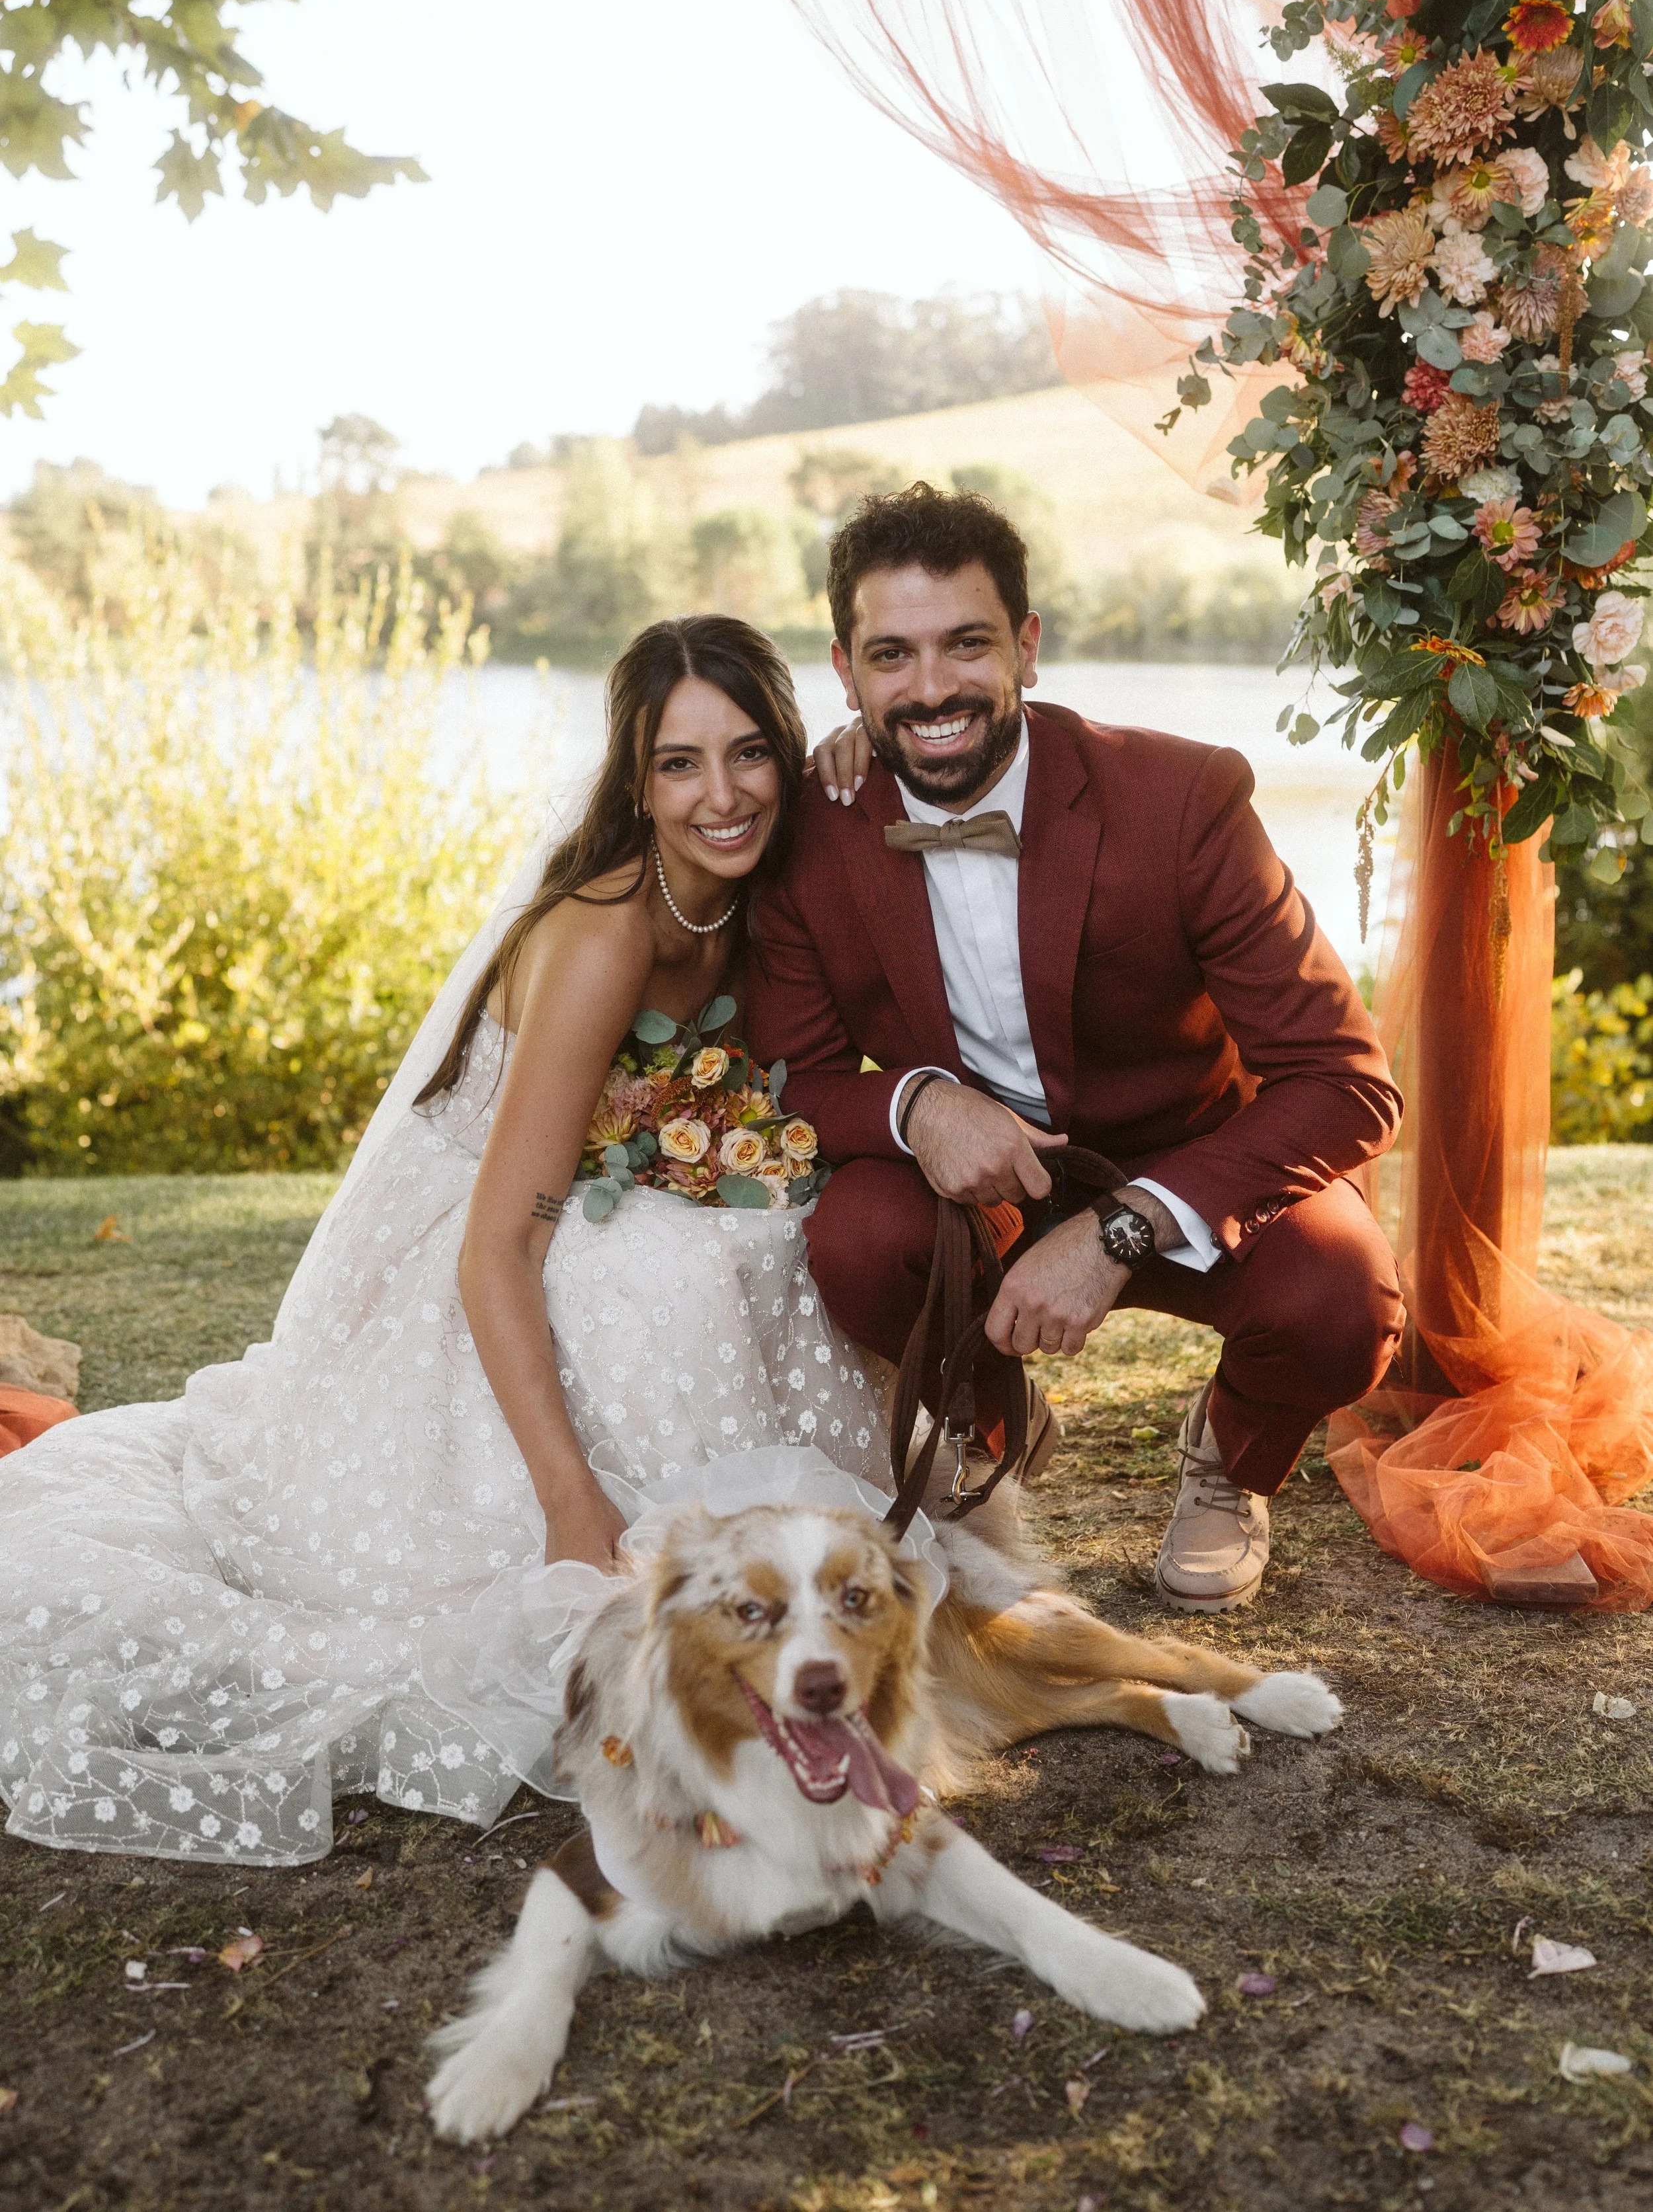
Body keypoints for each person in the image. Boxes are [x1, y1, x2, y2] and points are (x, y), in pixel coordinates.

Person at [0, 617, 895, 1866]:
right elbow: (497, 1248)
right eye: (680, 764)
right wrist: (572, 1507)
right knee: (668, 1263)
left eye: (751, 755)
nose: (723, 793)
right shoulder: (604, 935)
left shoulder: (753, 904)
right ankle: (646, 1519)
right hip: (469, 1244)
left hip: (594, 1196)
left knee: (758, 1225)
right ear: (635, 784)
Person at [747, 481, 1406, 1615]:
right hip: (975, 1197)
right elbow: (789, 1083)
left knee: (1343, 1301)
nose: (933, 687)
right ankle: (989, 1412)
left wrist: (1123, 1226)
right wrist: (918, 1105)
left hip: (1192, 1167)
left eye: (969, 644)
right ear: (846, 675)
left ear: (1029, 649)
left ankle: (1229, 1457)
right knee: (852, 1237)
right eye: (892, 656)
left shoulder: (1181, 797)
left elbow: (1347, 1080)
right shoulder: (809, 825)